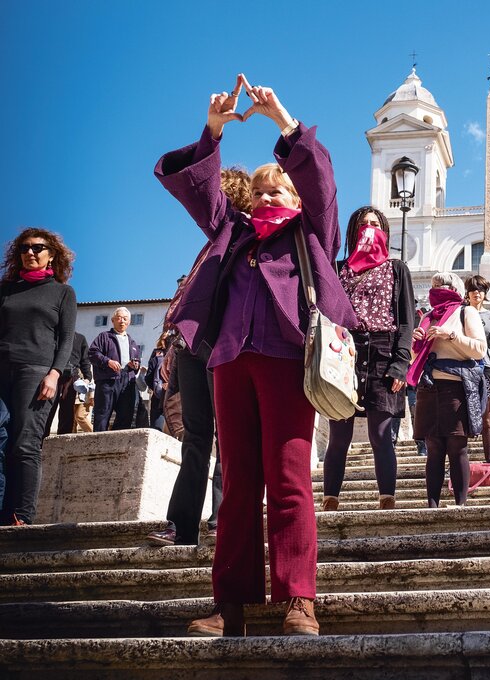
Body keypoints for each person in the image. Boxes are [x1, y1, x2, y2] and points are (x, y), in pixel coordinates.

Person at [155, 74, 356, 637]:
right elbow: (202, 193)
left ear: (296, 200)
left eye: (280, 191)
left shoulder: (311, 234)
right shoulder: (232, 233)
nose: (268, 197)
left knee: (289, 478)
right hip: (228, 361)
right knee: (239, 481)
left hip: (288, 359)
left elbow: (320, 184)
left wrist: (281, 119)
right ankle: (231, 605)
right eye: (263, 191)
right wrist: (213, 131)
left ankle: (299, 598)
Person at [145, 167, 249, 550]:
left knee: (228, 438)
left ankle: (224, 521)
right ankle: (181, 524)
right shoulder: (209, 245)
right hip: (191, 346)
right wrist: (174, 342)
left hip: (223, 344)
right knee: (195, 438)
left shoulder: (240, 231)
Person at [321, 206, 414, 512]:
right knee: (339, 433)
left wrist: (401, 363)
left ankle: (387, 498)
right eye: (363, 225)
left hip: (384, 351)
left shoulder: (397, 268)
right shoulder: (338, 269)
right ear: (353, 232)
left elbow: (405, 320)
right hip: (345, 352)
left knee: (380, 433)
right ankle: (330, 499)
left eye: (375, 224)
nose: (369, 229)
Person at [0, 228, 77, 526]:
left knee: (25, 443)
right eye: (24, 248)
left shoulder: (62, 292)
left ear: (52, 254)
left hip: (36, 372)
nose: (30, 252)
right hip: (2, 371)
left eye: (37, 247)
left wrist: (54, 374)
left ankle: (22, 515)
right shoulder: (5, 290)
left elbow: (67, 339)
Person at [408, 272, 485, 507]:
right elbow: (414, 358)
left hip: (456, 386)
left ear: (454, 288)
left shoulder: (466, 312)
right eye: (434, 285)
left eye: (442, 284)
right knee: (433, 448)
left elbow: (480, 349)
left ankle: (460, 504)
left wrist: (450, 335)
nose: (437, 288)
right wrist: (416, 343)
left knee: (456, 446)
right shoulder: (427, 316)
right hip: (429, 387)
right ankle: (432, 505)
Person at [465, 275, 490, 463]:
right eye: (473, 289)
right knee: (462, 418)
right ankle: (460, 463)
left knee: (487, 420)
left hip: (487, 369)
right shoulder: (461, 314)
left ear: (485, 293)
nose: (476, 293)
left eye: (480, 289)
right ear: (467, 293)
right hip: (465, 367)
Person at [89, 307, 141, 431]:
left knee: (125, 416)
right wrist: (108, 362)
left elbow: (137, 361)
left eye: (125, 319)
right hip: (108, 380)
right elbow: (92, 353)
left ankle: (118, 447)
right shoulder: (104, 337)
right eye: (119, 318)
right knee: (102, 414)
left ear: (129, 322)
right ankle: (98, 447)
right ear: (112, 320)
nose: (121, 321)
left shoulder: (132, 342)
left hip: (127, 381)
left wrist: (135, 365)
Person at [44, 332, 92, 435]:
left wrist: (88, 377)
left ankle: (62, 441)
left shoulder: (80, 338)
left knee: (67, 412)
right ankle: (41, 441)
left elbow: (85, 360)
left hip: (71, 379)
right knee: (47, 409)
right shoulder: (52, 334)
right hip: (52, 375)